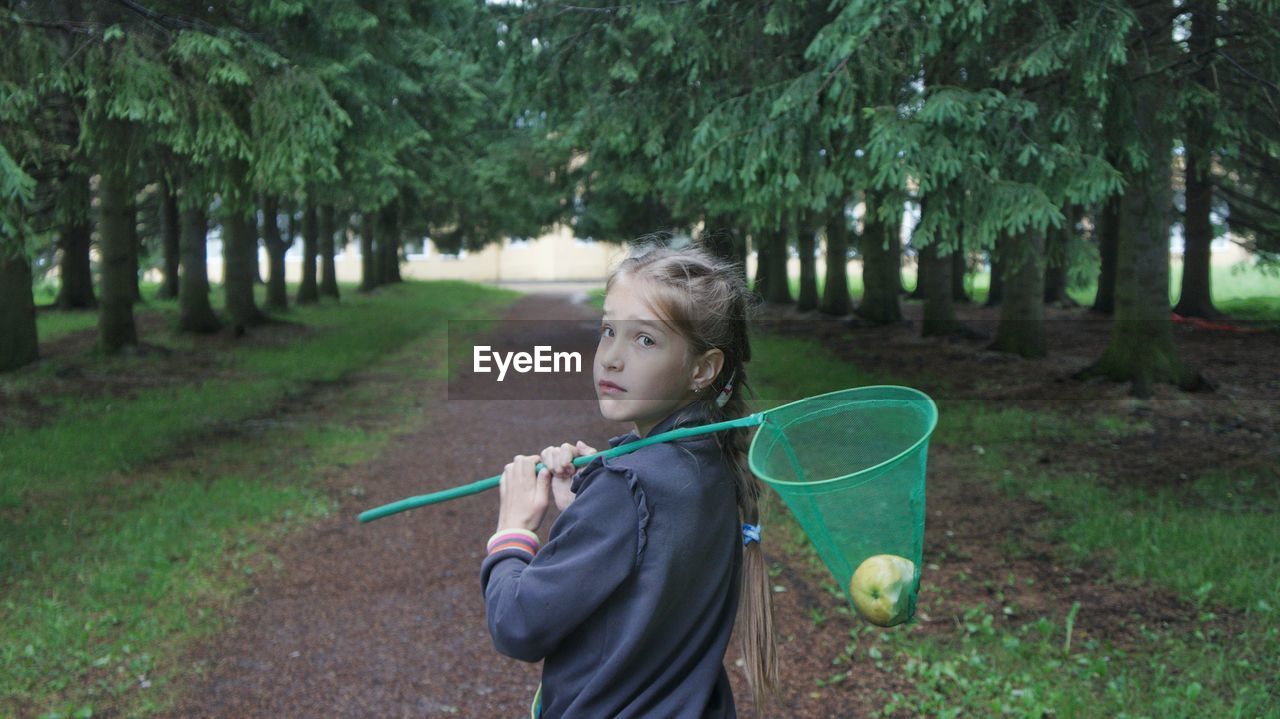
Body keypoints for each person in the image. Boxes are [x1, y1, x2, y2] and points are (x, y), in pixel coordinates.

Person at [480, 244, 779, 718]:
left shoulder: (627, 488)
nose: (611, 359)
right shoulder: (714, 459)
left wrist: (511, 534)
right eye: (608, 331)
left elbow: (518, 624)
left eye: (645, 340)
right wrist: (587, 502)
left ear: (702, 368)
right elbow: (647, 564)